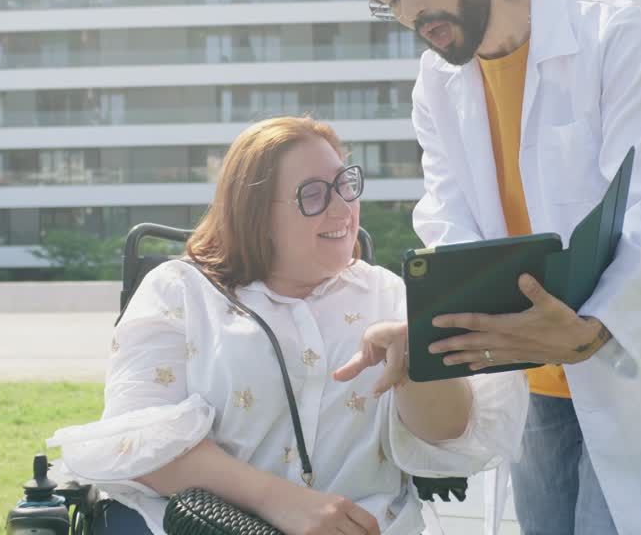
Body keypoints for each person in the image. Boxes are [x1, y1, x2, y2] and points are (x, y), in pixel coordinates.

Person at [333, 0, 641, 535]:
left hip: (625, 365)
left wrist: (591, 329)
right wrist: (432, 325)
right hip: (528, 379)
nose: (411, 10)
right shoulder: (437, 82)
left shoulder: (613, 36)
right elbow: (447, 212)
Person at [48, 116, 528, 535]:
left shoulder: (390, 295)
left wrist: (416, 363)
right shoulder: (180, 291)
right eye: (314, 195)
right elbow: (141, 443)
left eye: (345, 184)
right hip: (216, 527)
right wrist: (286, 504)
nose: (342, 208)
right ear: (255, 214)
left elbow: (447, 433)